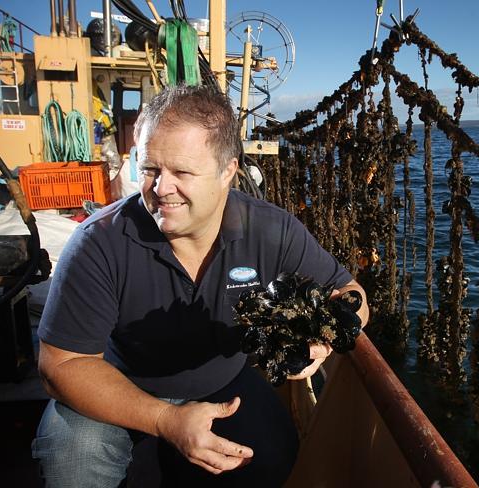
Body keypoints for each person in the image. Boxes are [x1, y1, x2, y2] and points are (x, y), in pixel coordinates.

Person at [31, 84, 369, 487]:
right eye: (150, 169)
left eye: (182, 172)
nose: (161, 189)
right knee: (74, 459)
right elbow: (61, 365)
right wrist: (166, 420)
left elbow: (351, 294)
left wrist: (325, 339)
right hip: (119, 386)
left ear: (228, 171)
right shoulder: (98, 242)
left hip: (223, 384)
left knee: (274, 455)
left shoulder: (272, 230)